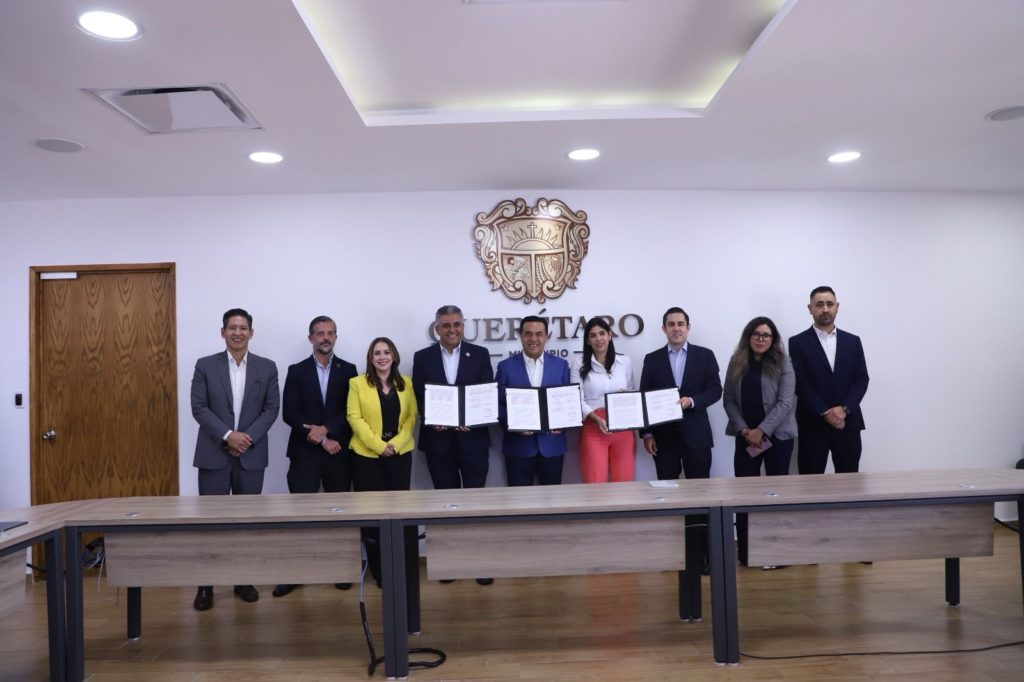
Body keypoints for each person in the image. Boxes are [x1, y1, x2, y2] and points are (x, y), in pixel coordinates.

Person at [189, 308, 280, 611]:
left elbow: (271, 409)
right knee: (210, 523)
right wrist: (228, 435)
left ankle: (243, 580)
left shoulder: (267, 367)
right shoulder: (205, 365)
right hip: (213, 454)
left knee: (246, 522)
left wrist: (245, 439)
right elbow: (199, 407)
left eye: (243, 328)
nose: (237, 333)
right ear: (223, 332)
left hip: (250, 456)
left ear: (251, 333)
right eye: (232, 328)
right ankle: (206, 585)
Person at [273, 315, 358, 598]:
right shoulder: (296, 370)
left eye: (330, 333)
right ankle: (295, 574)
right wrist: (322, 438)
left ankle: (342, 570)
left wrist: (328, 430)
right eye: (320, 333)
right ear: (310, 338)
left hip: (338, 453)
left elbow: (350, 411)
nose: (325, 338)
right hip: (305, 453)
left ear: (336, 337)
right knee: (300, 516)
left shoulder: (349, 370)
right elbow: (290, 413)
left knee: (340, 514)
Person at [412, 305, 495, 585]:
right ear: (437, 329)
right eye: (446, 325)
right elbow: (419, 395)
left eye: (456, 324)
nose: (452, 330)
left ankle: (479, 563)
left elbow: (486, 392)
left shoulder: (480, 354)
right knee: (445, 504)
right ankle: (447, 564)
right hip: (439, 441)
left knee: (475, 503)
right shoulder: (422, 357)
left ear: (463, 326)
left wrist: (473, 418)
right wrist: (431, 417)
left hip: (473, 439)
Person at [638, 306, 722, 575]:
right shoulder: (652, 359)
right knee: (666, 498)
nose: (676, 328)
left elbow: (715, 390)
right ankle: (672, 556)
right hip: (664, 439)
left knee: (700, 497)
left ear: (688, 327)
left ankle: (704, 556)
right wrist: (647, 433)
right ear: (664, 329)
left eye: (680, 324)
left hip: (697, 436)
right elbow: (644, 396)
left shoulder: (704, 355)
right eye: (671, 324)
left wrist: (692, 401)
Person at [723, 316, 797, 567]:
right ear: (748, 336)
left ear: (773, 339)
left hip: (778, 437)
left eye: (766, 335)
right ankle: (746, 553)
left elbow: (786, 402)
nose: (761, 339)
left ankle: (777, 553)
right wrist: (745, 429)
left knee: (775, 496)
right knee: (745, 495)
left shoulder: (783, 362)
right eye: (756, 334)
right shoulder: (736, 361)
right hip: (745, 438)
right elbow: (728, 400)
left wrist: (762, 430)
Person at [347, 337, 418, 586]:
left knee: (399, 515)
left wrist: (395, 444)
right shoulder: (357, 383)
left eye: (386, 352)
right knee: (372, 516)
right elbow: (354, 417)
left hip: (400, 456)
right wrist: (379, 446)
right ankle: (379, 572)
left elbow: (412, 417)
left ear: (394, 356)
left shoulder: (406, 383)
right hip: (367, 458)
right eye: (377, 353)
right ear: (371, 358)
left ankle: (400, 568)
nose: (382, 357)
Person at [788, 286, 869, 474]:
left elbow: (861, 379)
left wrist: (844, 409)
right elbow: (799, 382)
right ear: (810, 308)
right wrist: (825, 412)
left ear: (837, 307)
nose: (825, 309)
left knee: (849, 482)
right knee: (810, 482)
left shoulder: (853, 341)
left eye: (829, 304)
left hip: (848, 423)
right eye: (819, 304)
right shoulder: (797, 342)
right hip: (812, 424)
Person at [495, 316, 571, 486]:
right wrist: (513, 425)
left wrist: (562, 424)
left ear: (546, 336)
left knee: (552, 498)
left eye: (539, 334)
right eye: (528, 334)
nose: (533, 339)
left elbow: (568, 402)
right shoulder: (505, 367)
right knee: (519, 499)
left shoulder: (561, 366)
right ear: (521, 336)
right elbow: (498, 404)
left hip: (552, 446)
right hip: (518, 446)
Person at [570, 316, 637, 483]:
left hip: (623, 428)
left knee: (624, 482)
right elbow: (576, 399)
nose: (598, 339)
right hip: (593, 427)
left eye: (602, 333)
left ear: (609, 335)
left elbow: (632, 391)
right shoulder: (578, 363)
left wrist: (628, 396)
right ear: (587, 341)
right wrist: (595, 418)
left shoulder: (625, 361)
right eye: (593, 335)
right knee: (595, 483)